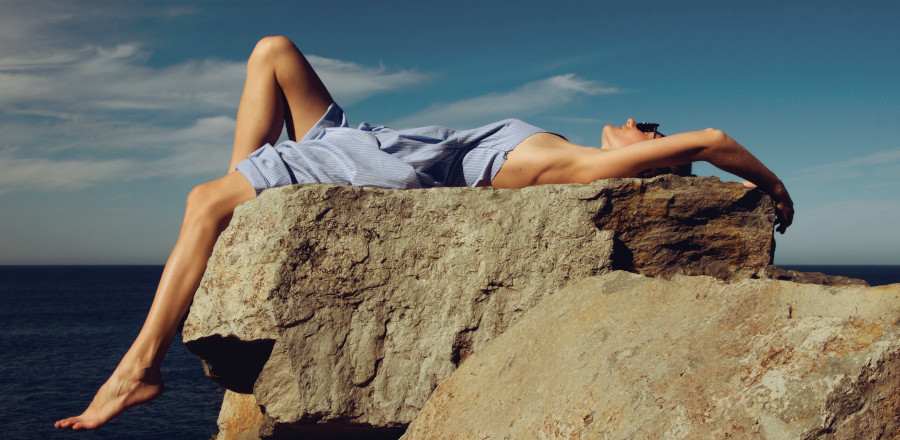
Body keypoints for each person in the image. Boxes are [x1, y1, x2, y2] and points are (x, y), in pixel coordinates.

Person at [54, 36, 793, 430]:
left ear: (637, 149)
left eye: (644, 128)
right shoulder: (569, 149)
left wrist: (773, 187)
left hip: (394, 166)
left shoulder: (586, 164)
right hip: (384, 138)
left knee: (202, 198)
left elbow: (715, 139)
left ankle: (136, 367)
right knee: (273, 50)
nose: (634, 121)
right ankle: (250, 190)